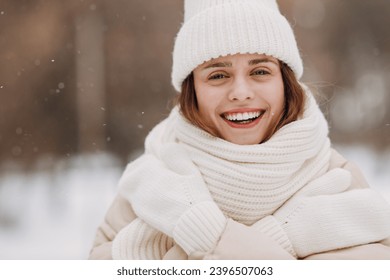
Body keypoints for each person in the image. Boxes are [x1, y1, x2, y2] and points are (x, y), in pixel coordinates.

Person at [89, 0, 390, 260]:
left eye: (260, 71)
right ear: (191, 89)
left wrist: (195, 234)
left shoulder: (335, 178)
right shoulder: (153, 179)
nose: (240, 92)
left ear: (286, 83)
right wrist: (282, 247)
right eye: (218, 75)